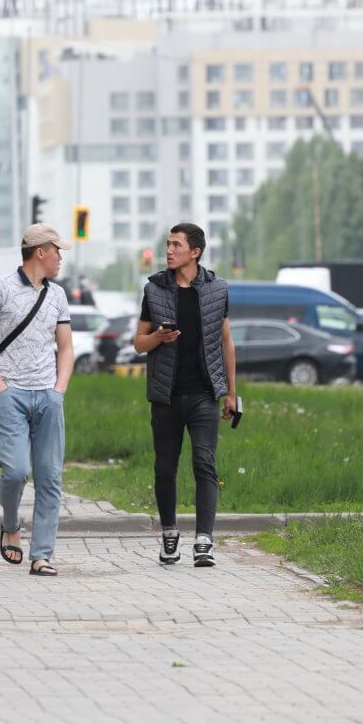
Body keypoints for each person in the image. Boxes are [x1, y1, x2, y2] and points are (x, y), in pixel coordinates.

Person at [0, 224, 74, 576]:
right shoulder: (0, 289)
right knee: (15, 471)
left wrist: (59, 390)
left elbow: (67, 346)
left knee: (49, 477)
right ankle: (11, 525)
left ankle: (42, 554)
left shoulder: (57, 294)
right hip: (9, 394)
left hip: (47, 395)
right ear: (41, 251)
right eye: (57, 251)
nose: (60, 258)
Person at [133, 223, 238, 567]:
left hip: (204, 394)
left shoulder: (217, 289)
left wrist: (231, 393)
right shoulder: (154, 290)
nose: (169, 251)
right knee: (165, 468)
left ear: (195, 252)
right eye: (167, 244)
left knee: (204, 463)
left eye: (176, 245)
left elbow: (225, 341)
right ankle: (169, 534)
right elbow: (139, 343)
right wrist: (159, 339)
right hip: (166, 395)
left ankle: (204, 541)